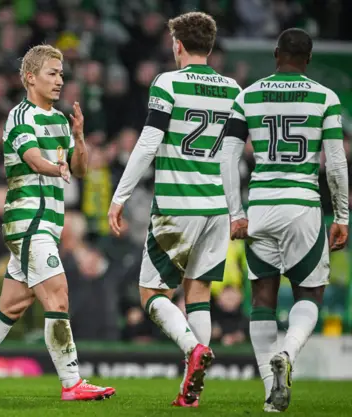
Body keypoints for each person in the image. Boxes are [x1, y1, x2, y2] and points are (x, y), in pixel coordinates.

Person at [0, 44, 115, 401]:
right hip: (28, 221)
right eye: (52, 73)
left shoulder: (60, 120)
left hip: (48, 222)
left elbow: (80, 170)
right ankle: (72, 383)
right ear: (30, 77)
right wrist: (57, 167)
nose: (59, 80)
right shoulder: (20, 116)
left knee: (11, 307)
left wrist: (79, 138)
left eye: (62, 73)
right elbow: (34, 159)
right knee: (58, 296)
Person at [107, 12, 241, 407]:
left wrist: (120, 195)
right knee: (198, 293)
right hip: (216, 205)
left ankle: (193, 350)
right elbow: (232, 156)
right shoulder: (233, 89)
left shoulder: (168, 82)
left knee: (151, 292)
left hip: (177, 203)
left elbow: (148, 144)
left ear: (177, 45)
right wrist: (236, 211)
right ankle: (191, 391)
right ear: (211, 47)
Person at [219, 28, 348, 413]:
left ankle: (268, 392)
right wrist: (341, 214)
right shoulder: (325, 98)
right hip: (302, 207)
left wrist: (236, 213)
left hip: (259, 206)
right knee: (310, 294)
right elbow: (336, 164)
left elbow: (228, 158)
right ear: (307, 59)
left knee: (262, 298)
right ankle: (288, 352)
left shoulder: (248, 96)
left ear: (276, 54)